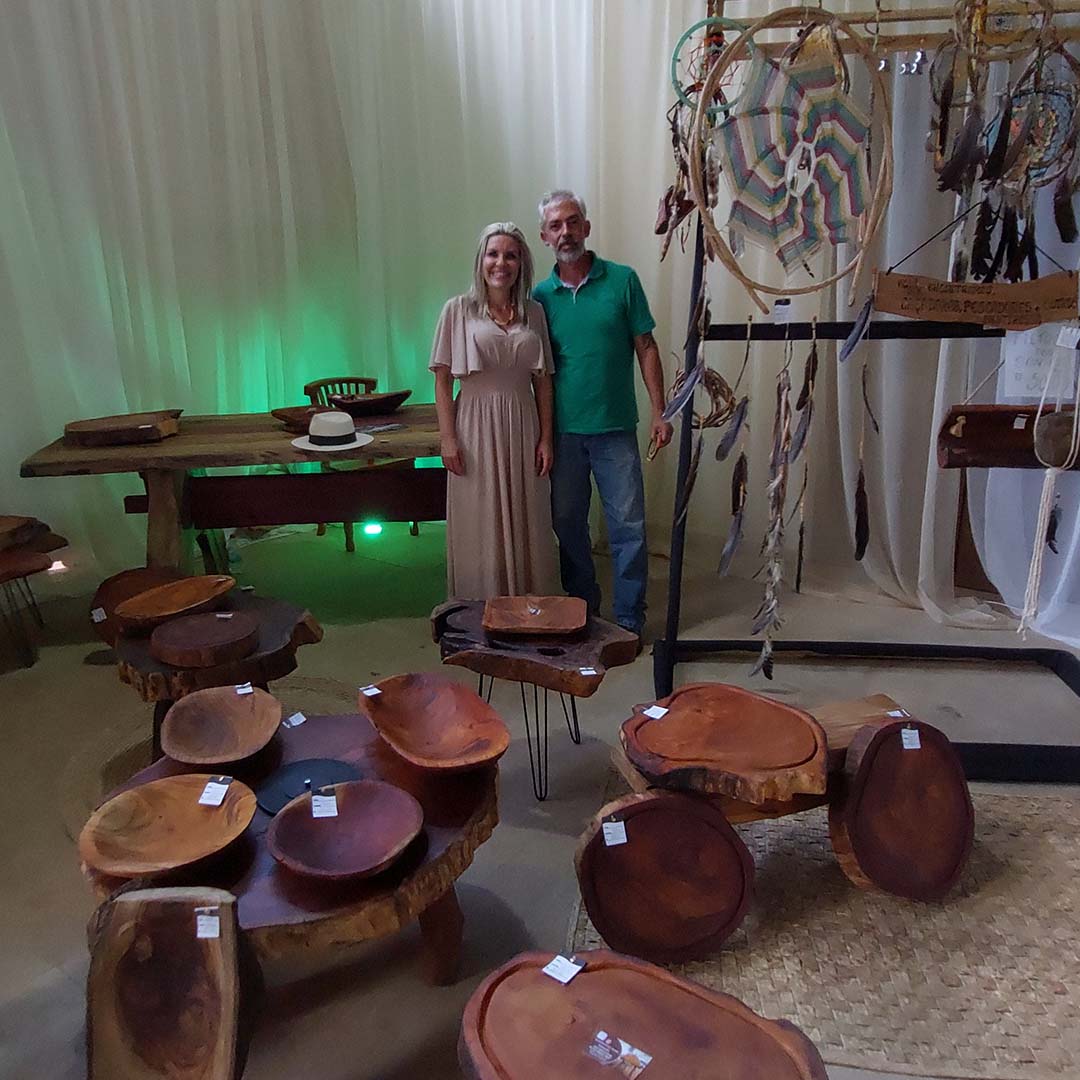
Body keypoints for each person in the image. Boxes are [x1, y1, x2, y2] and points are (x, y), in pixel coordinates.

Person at [533, 190, 673, 640]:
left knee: (628, 527)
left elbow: (646, 347)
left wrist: (660, 411)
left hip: (615, 428)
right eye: (555, 226)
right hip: (564, 434)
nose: (566, 232)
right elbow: (535, 370)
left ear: (586, 227)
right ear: (544, 237)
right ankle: (582, 607)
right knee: (567, 524)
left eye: (572, 222)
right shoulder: (539, 298)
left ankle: (629, 617)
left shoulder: (623, 281)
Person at [429, 222, 559, 599]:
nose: (501, 263)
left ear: (521, 263)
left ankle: (529, 606)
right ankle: (479, 606)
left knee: (527, 513)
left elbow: (543, 381)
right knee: (478, 515)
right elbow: (442, 381)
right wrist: (448, 439)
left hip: (522, 423)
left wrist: (546, 438)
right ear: (481, 260)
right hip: (474, 424)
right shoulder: (457, 310)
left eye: (510, 255)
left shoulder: (534, 312)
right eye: (493, 254)